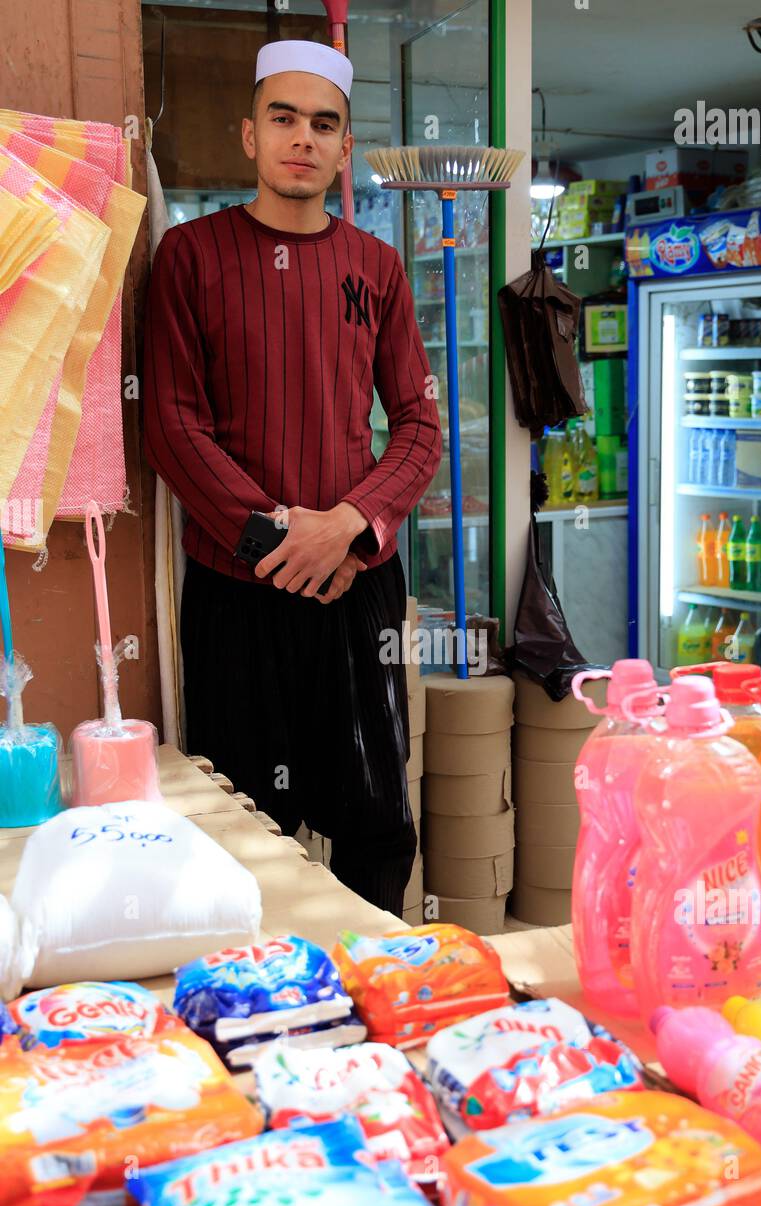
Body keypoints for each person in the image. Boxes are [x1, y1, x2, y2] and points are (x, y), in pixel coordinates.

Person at [143, 39, 442, 915]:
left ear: (346, 149)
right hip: (240, 591)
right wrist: (285, 541)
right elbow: (170, 425)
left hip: (358, 588)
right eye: (283, 118)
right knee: (244, 821)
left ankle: (373, 993)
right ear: (249, 136)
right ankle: (270, 1007)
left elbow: (420, 425)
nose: (302, 138)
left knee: (377, 818)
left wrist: (348, 525)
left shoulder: (377, 269)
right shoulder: (191, 258)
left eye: (324, 123)